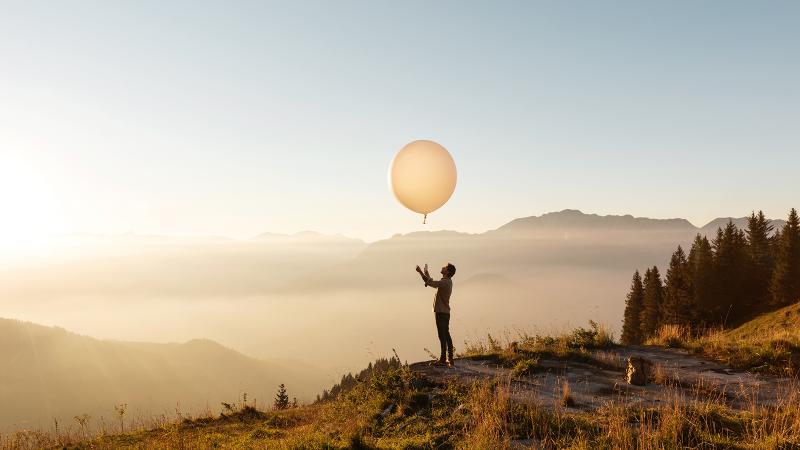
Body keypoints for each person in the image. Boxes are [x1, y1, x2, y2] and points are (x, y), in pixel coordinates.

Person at [415, 263, 456, 367]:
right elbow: (433, 283)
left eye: (445, 267)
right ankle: (450, 358)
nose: (443, 267)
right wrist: (427, 274)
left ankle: (443, 359)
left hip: (441, 313)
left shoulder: (445, 282)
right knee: (446, 334)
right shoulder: (447, 282)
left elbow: (431, 283)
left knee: (442, 336)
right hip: (445, 312)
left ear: (447, 272)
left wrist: (420, 272)